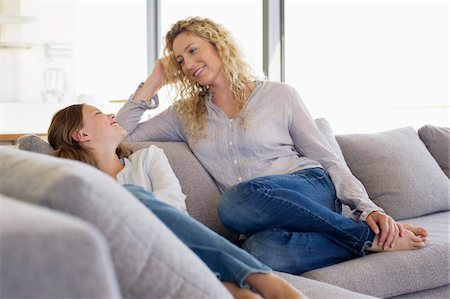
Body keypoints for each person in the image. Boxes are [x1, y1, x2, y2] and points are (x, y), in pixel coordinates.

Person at [116, 17, 428, 274]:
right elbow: (123, 135)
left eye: (194, 50)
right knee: (258, 252)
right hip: (257, 215)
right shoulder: (184, 115)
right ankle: (365, 240)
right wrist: (154, 80)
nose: (188, 64)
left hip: (310, 187)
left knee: (233, 203)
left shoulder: (280, 95)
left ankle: (360, 232)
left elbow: (327, 158)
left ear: (218, 45)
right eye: (180, 60)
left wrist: (366, 205)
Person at [47, 103, 305, 299]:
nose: (111, 115)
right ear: (80, 135)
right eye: (98, 114)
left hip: (175, 249)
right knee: (135, 196)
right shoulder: (80, 183)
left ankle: (237, 286)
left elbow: (173, 206)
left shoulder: (148, 158)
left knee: (241, 294)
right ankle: (261, 279)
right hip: (131, 260)